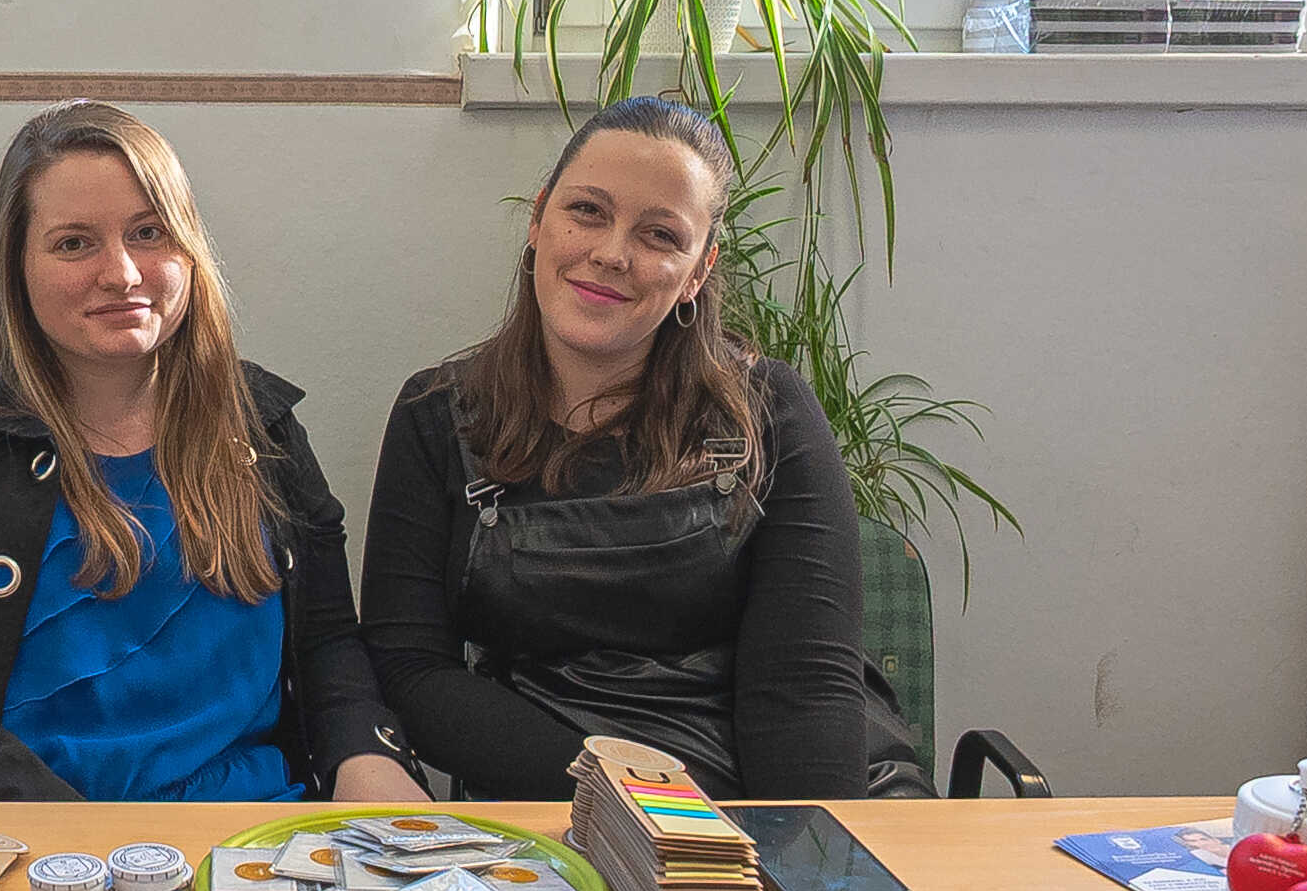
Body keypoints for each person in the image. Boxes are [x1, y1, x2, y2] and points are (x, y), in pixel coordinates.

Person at [0, 102, 426, 805]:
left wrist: (372, 766)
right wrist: (74, 836)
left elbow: (327, 648)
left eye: (148, 233)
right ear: (16, 265)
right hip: (18, 835)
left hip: (252, 837)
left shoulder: (262, 425)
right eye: (74, 243)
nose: (122, 273)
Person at [359, 95, 918, 800]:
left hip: (775, 794)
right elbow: (411, 670)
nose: (612, 253)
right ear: (537, 220)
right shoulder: (437, 416)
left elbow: (804, 686)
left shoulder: (770, 410)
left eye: (659, 235)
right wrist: (630, 801)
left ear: (697, 272)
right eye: (587, 211)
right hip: (564, 793)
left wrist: (790, 851)